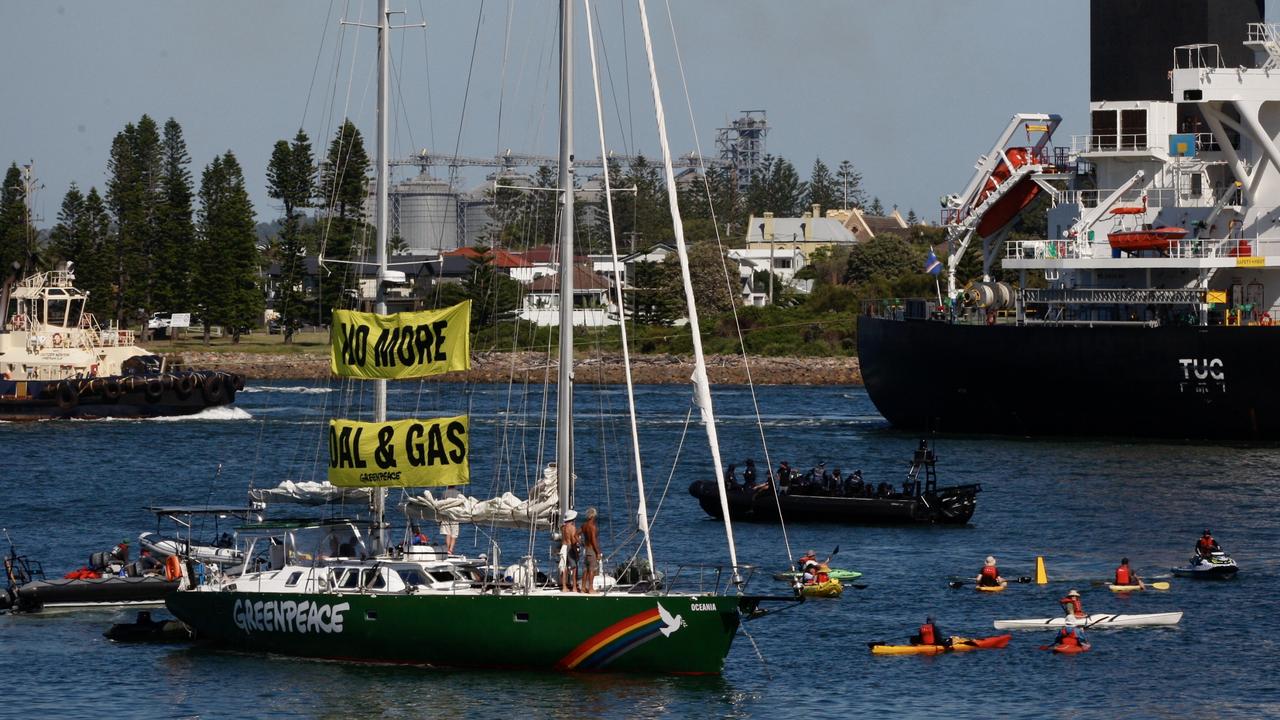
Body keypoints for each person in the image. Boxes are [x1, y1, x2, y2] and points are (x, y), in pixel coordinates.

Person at [580, 507, 602, 594]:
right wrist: (598, 552)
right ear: (593, 515)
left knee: (585, 569)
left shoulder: (584, 525)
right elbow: (593, 540)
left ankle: (583, 588)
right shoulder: (592, 526)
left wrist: (581, 543)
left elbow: (575, 535)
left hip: (586, 549)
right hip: (591, 550)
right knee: (592, 569)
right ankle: (591, 589)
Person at [558, 509, 580, 592]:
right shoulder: (572, 528)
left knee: (564, 567)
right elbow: (573, 541)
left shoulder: (562, 527)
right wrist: (576, 552)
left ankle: (564, 587)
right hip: (570, 547)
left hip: (563, 547)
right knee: (574, 567)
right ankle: (574, 587)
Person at [440, 485, 462, 555]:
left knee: (448, 533)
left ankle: (447, 549)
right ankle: (450, 550)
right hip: (454, 514)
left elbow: (441, 504)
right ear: (455, 486)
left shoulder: (444, 493)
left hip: (446, 513)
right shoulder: (459, 493)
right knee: (454, 534)